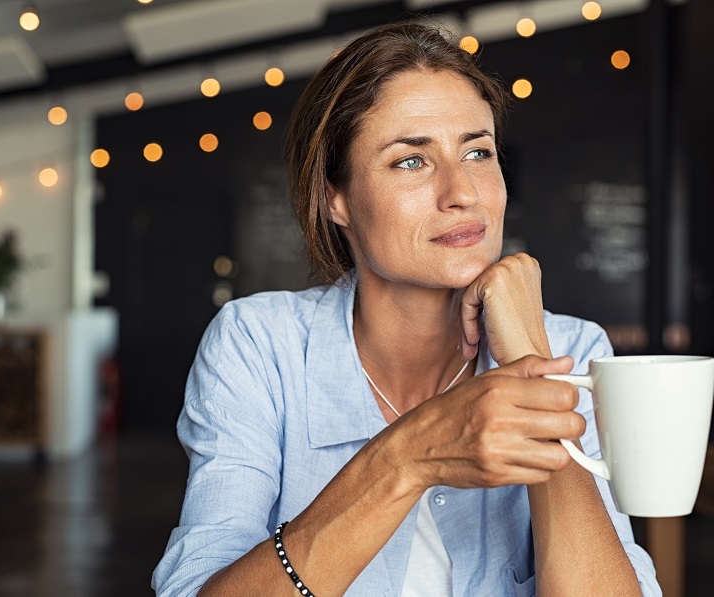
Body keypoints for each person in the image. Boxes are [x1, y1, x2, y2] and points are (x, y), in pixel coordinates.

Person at [153, 22, 660, 597]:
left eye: (478, 151)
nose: (463, 192)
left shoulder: (574, 351)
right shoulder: (258, 345)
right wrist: (408, 457)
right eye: (411, 162)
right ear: (333, 198)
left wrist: (527, 353)